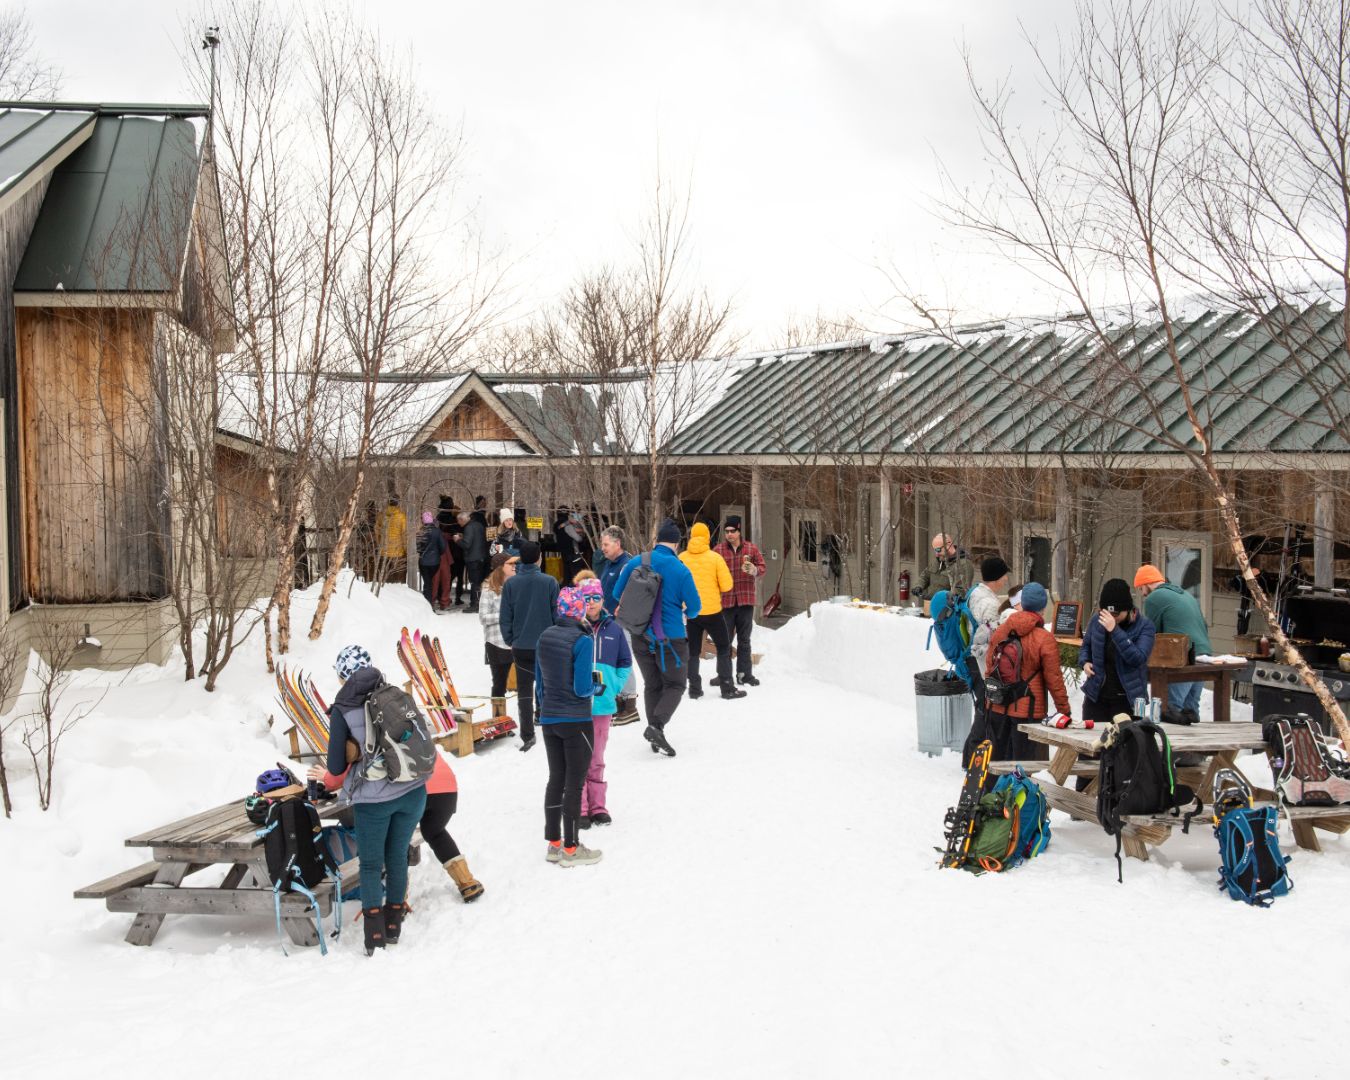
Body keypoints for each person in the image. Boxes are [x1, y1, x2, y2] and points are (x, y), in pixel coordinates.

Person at [319, 645, 428, 955]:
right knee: (397, 856)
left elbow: (336, 767)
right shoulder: (394, 693)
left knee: (370, 864)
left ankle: (374, 936)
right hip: (413, 791)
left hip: (375, 800)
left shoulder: (343, 709)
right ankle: (393, 926)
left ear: (343, 677)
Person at [311, 742, 483, 905]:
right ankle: (467, 882)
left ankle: (398, 901)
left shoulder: (372, 727)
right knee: (435, 832)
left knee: (396, 843)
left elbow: (352, 767)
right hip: (446, 787)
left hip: (414, 791)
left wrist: (327, 777)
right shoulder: (409, 720)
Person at [612, 519, 702, 757]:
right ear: (676, 543)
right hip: (671, 637)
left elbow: (615, 592)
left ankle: (655, 734)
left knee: (652, 684)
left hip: (640, 634)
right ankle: (657, 727)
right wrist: (683, 612)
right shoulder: (681, 569)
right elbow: (695, 607)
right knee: (675, 684)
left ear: (656, 541)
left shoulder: (636, 562)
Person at [535, 586, 602, 866]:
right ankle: (572, 849)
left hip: (549, 718)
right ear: (578, 609)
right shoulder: (583, 639)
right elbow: (582, 686)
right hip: (576, 719)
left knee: (556, 779)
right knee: (574, 784)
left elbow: (539, 683)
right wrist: (596, 687)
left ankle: (553, 843)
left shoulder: (544, 636)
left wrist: (544, 707)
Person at [980, 582, 1069, 762]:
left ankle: (991, 791)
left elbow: (989, 664)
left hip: (997, 705)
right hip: (1028, 711)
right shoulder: (1044, 638)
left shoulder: (1001, 631)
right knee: (1024, 767)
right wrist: (1064, 710)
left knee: (996, 764)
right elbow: (1054, 679)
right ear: (1043, 608)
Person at [578, 577, 630, 829]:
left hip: (602, 706)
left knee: (597, 757)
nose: (591, 603)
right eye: (586, 598)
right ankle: (581, 807)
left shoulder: (614, 630)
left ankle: (598, 805)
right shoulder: (573, 627)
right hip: (576, 706)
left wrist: (615, 688)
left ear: (602, 600)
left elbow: (625, 663)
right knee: (578, 756)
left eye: (595, 598)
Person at [501, 540, 559, 752]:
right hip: (547, 645)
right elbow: (556, 615)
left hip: (521, 645)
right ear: (538, 558)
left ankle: (527, 734)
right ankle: (546, 720)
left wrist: (510, 639)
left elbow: (505, 616)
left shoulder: (511, 584)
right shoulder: (550, 582)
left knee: (524, 690)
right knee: (548, 686)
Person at [1135, 563, 1213, 717]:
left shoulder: (1154, 597)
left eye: (1140, 588)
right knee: (1190, 711)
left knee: (1171, 709)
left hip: (1182, 657)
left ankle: (1170, 741)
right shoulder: (1184, 594)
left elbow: (1150, 633)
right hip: (1203, 655)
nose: (1142, 594)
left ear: (1147, 583)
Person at [680, 521, 745, 700]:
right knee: (723, 647)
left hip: (691, 613)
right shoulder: (715, 558)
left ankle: (694, 688)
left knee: (693, 651)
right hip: (713, 612)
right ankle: (727, 688)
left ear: (691, 536)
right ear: (708, 537)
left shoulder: (682, 558)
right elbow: (727, 585)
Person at [1081, 578, 1156, 726]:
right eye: (1106, 613)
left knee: (1128, 745)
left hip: (1129, 699)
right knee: (1093, 744)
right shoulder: (1097, 620)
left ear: (1127, 609)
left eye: (1116, 614)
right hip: (1097, 695)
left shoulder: (1145, 626)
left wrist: (1114, 630)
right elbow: (1086, 646)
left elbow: (1138, 658)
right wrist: (1085, 662)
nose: (1111, 618)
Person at [593, 525, 640, 724]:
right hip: (609, 621)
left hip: (623, 622)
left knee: (623, 661)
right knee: (611, 662)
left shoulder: (626, 564)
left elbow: (631, 594)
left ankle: (630, 704)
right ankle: (619, 700)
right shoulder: (609, 564)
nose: (602, 548)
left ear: (617, 544)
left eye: (606, 544)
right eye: (602, 544)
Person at [713, 515, 766, 688]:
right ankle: (723, 675)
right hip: (725, 602)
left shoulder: (751, 548)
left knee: (744, 640)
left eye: (732, 531)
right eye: (726, 531)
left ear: (739, 530)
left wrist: (755, 570)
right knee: (724, 641)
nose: (729, 535)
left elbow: (763, 568)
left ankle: (745, 675)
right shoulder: (718, 550)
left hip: (745, 600)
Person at [478, 552, 519, 721]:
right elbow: (483, 617)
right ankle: (498, 720)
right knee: (499, 684)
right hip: (496, 642)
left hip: (515, 642)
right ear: (501, 567)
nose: (514, 566)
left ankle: (525, 720)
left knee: (522, 683)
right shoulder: (489, 588)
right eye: (511, 564)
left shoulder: (515, 586)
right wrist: (505, 615)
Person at [968, 556, 1010, 679]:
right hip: (981, 663)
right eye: (1004, 575)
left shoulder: (975, 592)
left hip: (971, 656)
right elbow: (993, 639)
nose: (1006, 579)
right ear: (996, 577)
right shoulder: (991, 604)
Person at [913, 533, 974, 601]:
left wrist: (941, 598)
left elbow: (961, 590)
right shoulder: (940, 560)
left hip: (949, 609)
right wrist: (919, 586)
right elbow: (926, 575)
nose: (936, 554)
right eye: (934, 550)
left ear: (948, 545)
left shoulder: (964, 564)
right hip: (932, 605)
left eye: (938, 550)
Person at [458, 510, 488, 613]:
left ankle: (474, 604)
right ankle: (479, 602)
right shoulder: (479, 525)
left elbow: (466, 544)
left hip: (473, 558)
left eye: (459, 522)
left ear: (462, 519)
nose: (459, 524)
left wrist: (457, 540)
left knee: (474, 582)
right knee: (479, 582)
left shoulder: (468, 527)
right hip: (481, 557)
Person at [416, 511, 447, 607]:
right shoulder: (437, 531)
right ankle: (429, 603)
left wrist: (423, 553)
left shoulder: (421, 531)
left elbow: (418, 548)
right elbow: (443, 546)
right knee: (430, 582)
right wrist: (438, 554)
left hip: (423, 562)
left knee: (427, 583)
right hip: (435, 562)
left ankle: (427, 603)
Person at [554, 508, 593, 583]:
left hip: (564, 551)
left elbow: (556, 537)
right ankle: (573, 586)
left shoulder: (558, 525)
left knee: (567, 570)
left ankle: (567, 586)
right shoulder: (569, 526)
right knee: (575, 572)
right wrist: (582, 535)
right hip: (574, 552)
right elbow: (578, 539)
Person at [375, 497, 408, 583]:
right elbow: (404, 534)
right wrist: (405, 549)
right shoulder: (402, 516)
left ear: (388, 502)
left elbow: (377, 532)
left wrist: (379, 545)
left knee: (385, 581)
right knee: (398, 580)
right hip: (398, 552)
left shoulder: (381, 515)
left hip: (384, 551)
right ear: (398, 503)